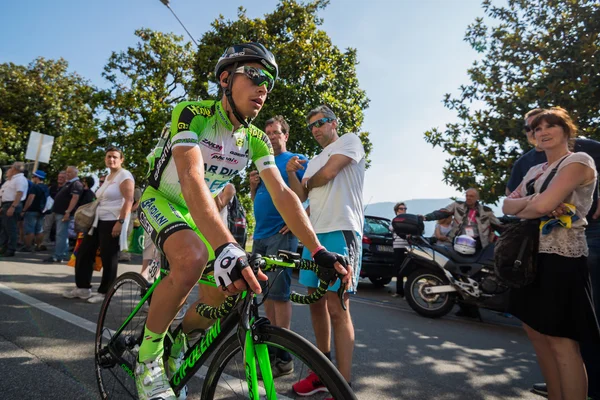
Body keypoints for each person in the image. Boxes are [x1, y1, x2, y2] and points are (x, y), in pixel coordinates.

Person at [137, 43, 350, 400]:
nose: (263, 87)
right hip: (161, 199)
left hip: (195, 213)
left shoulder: (255, 139)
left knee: (225, 294)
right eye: (254, 75)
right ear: (225, 78)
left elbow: (283, 194)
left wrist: (318, 249)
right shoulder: (192, 113)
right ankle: (148, 359)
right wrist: (226, 247)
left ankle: (177, 344)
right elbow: (190, 178)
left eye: (269, 81)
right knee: (191, 257)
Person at [503, 107, 600, 400]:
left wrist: (533, 204)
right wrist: (537, 201)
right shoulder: (534, 170)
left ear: (566, 129)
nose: (542, 132)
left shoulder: (580, 161)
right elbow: (507, 205)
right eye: (536, 129)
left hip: (563, 257)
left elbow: (541, 208)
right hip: (530, 257)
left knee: (562, 341)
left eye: (550, 126)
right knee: (537, 334)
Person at [287, 105, 365, 398]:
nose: (316, 129)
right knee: (315, 304)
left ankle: (341, 385)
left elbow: (330, 174)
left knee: (337, 307)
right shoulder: (312, 161)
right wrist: (293, 174)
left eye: (320, 123)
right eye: (311, 126)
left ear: (334, 123)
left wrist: (308, 178)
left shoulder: (349, 141)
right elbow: (301, 196)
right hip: (314, 238)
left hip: (341, 230)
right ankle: (323, 371)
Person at [250, 114, 308, 376]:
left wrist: (298, 218)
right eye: (268, 133)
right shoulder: (264, 163)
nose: (272, 137)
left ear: (285, 135)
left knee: (280, 294)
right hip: (260, 234)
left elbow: (307, 196)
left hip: (280, 234)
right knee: (266, 295)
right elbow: (257, 201)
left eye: (276, 132)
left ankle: (283, 358)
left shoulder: (294, 160)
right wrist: (253, 187)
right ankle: (273, 350)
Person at [63, 147, 134, 303]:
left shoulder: (125, 175)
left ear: (121, 159)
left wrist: (120, 223)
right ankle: (83, 288)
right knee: (83, 252)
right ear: (105, 159)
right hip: (97, 221)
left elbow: (129, 200)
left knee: (109, 258)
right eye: (109, 157)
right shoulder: (109, 176)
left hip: (112, 221)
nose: (111, 159)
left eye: (115, 157)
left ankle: (105, 293)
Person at [422, 188, 501, 250]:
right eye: (467, 196)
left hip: (478, 243)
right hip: (457, 240)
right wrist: (426, 217)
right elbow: (442, 212)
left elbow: (498, 225)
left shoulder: (486, 211)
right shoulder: (457, 205)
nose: (468, 198)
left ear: (477, 198)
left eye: (471, 196)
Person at [44, 166, 83, 263]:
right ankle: (63, 254)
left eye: (69, 172)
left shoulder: (76, 184)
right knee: (62, 234)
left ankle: (58, 255)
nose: (67, 174)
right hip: (60, 212)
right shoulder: (69, 183)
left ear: (75, 173)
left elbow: (75, 198)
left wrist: (68, 211)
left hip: (63, 213)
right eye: (66, 172)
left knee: (60, 234)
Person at [0, 162, 28, 257]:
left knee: (11, 229)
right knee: (5, 228)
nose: (10, 169)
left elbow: (19, 193)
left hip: (12, 204)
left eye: (11, 167)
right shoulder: (12, 179)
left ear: (15, 169)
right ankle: (4, 247)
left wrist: (13, 207)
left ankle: (11, 249)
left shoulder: (20, 179)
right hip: (6, 204)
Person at [20, 170, 50, 252]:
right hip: (41, 211)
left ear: (37, 177)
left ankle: (28, 247)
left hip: (32, 210)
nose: (32, 178)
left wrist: (24, 209)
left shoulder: (34, 187)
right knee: (39, 230)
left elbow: (30, 199)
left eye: (33, 177)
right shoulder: (45, 187)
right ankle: (38, 246)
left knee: (29, 230)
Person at [40, 170, 67, 250]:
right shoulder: (52, 187)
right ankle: (43, 243)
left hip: (61, 210)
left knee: (59, 230)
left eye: (62, 177)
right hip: (50, 210)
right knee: (46, 227)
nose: (60, 179)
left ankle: (59, 247)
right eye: (59, 177)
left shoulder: (67, 188)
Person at [390, 202, 409, 298]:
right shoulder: (395, 220)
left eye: (405, 208)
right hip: (398, 247)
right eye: (401, 208)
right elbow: (391, 228)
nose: (403, 210)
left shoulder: (408, 220)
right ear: (396, 210)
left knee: (408, 270)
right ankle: (399, 291)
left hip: (408, 247)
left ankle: (408, 292)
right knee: (399, 269)